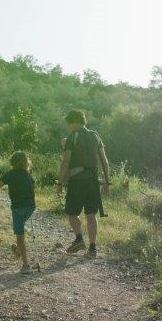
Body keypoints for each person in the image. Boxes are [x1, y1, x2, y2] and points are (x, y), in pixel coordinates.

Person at [57, 110, 110, 258]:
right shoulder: (95, 136)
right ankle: (93, 248)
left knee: (72, 212)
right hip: (94, 181)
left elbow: (66, 161)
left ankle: (79, 238)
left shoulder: (72, 137)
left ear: (73, 122)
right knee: (91, 214)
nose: (68, 127)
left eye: (69, 124)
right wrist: (107, 182)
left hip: (77, 180)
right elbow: (104, 161)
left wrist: (60, 182)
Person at [0, 151, 36, 274]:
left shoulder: (10, 174)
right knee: (20, 229)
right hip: (31, 207)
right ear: (26, 162)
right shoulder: (28, 174)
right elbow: (33, 186)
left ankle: (26, 265)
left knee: (20, 235)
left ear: (12, 162)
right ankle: (18, 249)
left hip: (18, 208)